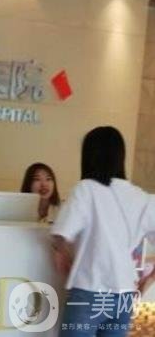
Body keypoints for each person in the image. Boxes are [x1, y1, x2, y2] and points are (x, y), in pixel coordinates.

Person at [51, 126, 155, 337]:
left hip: (88, 291)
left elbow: (61, 234)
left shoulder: (85, 189)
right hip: (125, 294)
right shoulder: (142, 198)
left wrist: (62, 254)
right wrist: (150, 278)